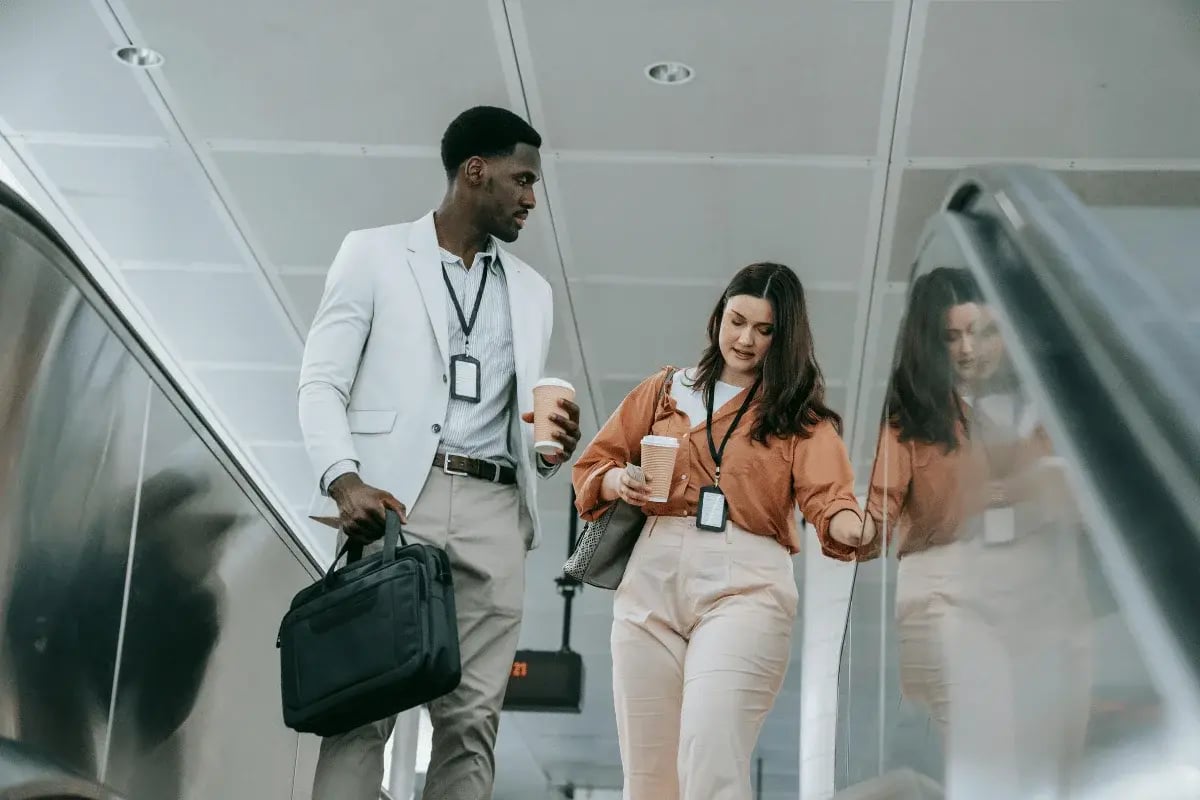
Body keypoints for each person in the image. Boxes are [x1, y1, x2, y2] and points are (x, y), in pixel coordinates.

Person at [298, 106, 582, 800]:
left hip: (495, 510)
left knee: (471, 724)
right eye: (521, 179)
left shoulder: (532, 292)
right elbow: (320, 381)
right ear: (473, 171)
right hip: (397, 503)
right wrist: (343, 480)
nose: (530, 199)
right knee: (364, 711)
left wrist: (551, 452)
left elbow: (519, 425)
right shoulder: (372, 252)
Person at [571, 263, 866, 800]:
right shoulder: (662, 390)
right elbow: (594, 465)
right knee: (648, 780)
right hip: (651, 579)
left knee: (709, 758)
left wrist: (859, 527)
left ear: (785, 337)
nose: (745, 339)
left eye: (765, 329)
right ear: (718, 317)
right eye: (736, 320)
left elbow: (832, 503)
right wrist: (618, 480)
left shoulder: (799, 418)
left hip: (744, 584)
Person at [860, 267, 1090, 798]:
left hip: (1039, 595)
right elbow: (882, 506)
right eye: (952, 335)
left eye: (984, 332)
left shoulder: (1048, 410)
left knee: (1050, 769)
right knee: (990, 751)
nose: (969, 349)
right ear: (930, 341)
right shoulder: (913, 418)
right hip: (947, 588)